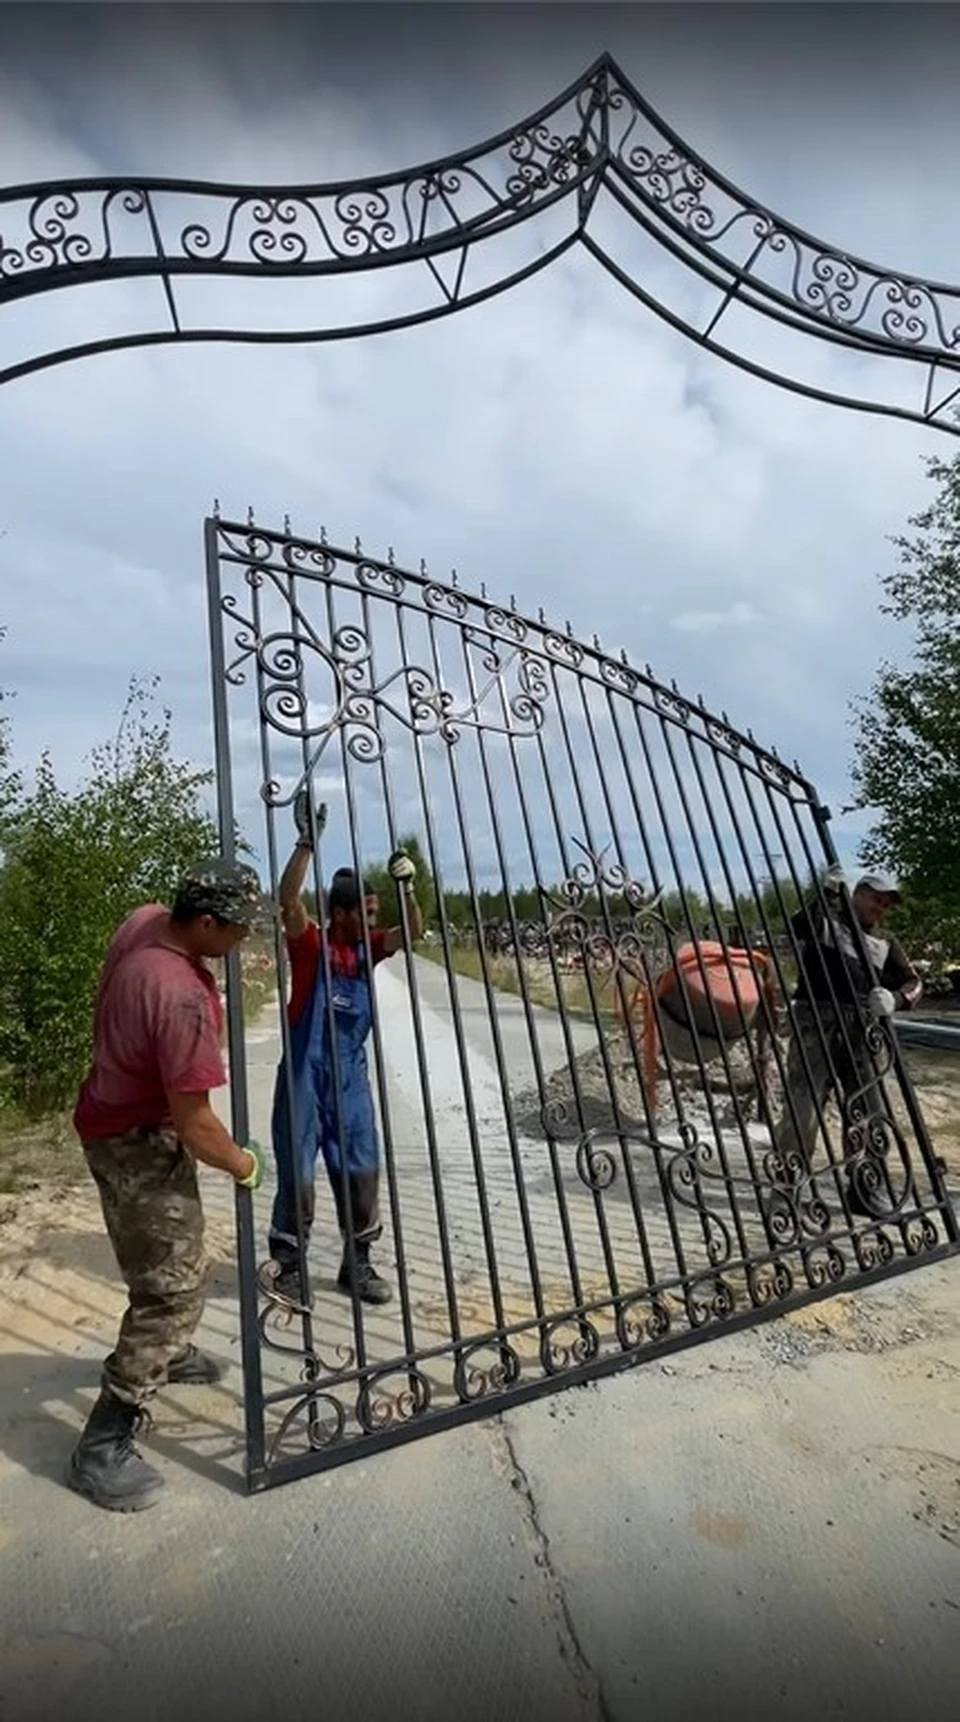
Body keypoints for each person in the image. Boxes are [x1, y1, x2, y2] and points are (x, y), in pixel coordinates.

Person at [68, 859, 267, 1513]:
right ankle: (103, 1445)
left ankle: (166, 1355)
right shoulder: (179, 997)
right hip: (136, 1138)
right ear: (205, 922)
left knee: (161, 1252)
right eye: (237, 929)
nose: (244, 940)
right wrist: (244, 1164)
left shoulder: (146, 919)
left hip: (114, 1111)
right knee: (174, 1290)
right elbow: (197, 1124)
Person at [268, 791, 422, 1308]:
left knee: (360, 1164)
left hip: (350, 1078)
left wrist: (407, 889)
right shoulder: (312, 946)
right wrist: (306, 845)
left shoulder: (369, 949)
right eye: (369, 912)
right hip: (305, 1077)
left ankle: (357, 1265)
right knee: (298, 1166)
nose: (376, 922)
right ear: (341, 913)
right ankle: (289, 1265)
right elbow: (287, 901)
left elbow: (414, 932)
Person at [773, 868, 923, 1211]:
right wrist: (824, 893)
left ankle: (865, 1188)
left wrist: (895, 1000)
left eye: (885, 904)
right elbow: (796, 925)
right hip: (816, 1022)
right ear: (856, 893)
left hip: (865, 1032)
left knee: (870, 1114)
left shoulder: (886, 943)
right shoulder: (825, 923)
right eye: (875, 898)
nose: (879, 907)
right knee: (802, 1112)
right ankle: (786, 1190)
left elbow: (914, 983)